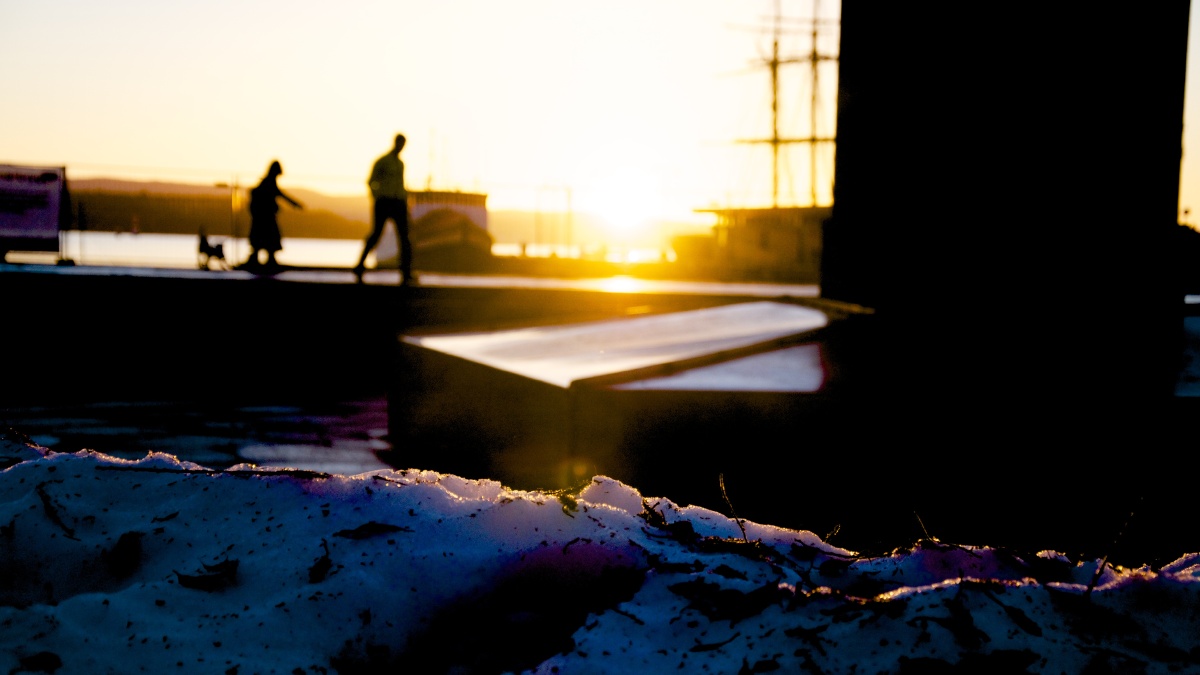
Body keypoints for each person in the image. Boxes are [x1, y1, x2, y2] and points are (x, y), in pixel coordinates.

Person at [356, 133, 414, 284]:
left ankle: (406, 271)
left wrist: (405, 204)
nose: (401, 147)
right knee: (376, 234)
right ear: (395, 143)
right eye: (400, 143)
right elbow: (371, 181)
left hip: (398, 202)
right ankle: (360, 264)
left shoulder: (400, 164)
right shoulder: (383, 161)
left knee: (404, 238)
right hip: (384, 202)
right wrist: (377, 197)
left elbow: (401, 185)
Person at [245, 160, 303, 270]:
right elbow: (280, 194)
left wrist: (294, 203)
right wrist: (294, 204)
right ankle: (266, 260)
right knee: (269, 237)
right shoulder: (269, 182)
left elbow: (279, 194)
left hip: (262, 216)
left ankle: (261, 259)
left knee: (262, 238)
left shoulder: (267, 182)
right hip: (265, 217)